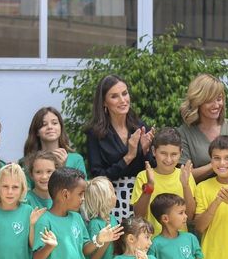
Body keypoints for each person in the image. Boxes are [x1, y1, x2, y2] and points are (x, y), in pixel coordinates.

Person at [86, 75, 152, 221]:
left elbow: (153, 168)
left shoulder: (140, 127)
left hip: (141, 197)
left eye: (125, 93)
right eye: (114, 96)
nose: (123, 100)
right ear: (104, 102)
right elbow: (98, 177)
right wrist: (129, 156)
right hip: (110, 200)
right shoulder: (95, 133)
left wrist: (146, 151)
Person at [177, 74, 228, 182]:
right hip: (200, 196)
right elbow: (185, 176)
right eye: (209, 101)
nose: (216, 105)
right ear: (198, 102)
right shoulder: (184, 133)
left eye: (219, 99)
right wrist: (217, 162)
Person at [131, 128, 196, 237]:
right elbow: (139, 216)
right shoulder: (144, 176)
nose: (168, 159)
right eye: (163, 153)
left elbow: (189, 216)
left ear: (181, 153)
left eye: (174, 154)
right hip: (150, 243)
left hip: (180, 242)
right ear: (153, 151)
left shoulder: (186, 176)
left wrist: (185, 186)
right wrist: (150, 186)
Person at [23, 107, 87, 176]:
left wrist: (63, 168)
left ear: (61, 127)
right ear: (37, 132)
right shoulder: (29, 162)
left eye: (54, 123)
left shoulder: (76, 159)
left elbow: (82, 186)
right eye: (44, 124)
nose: (50, 127)